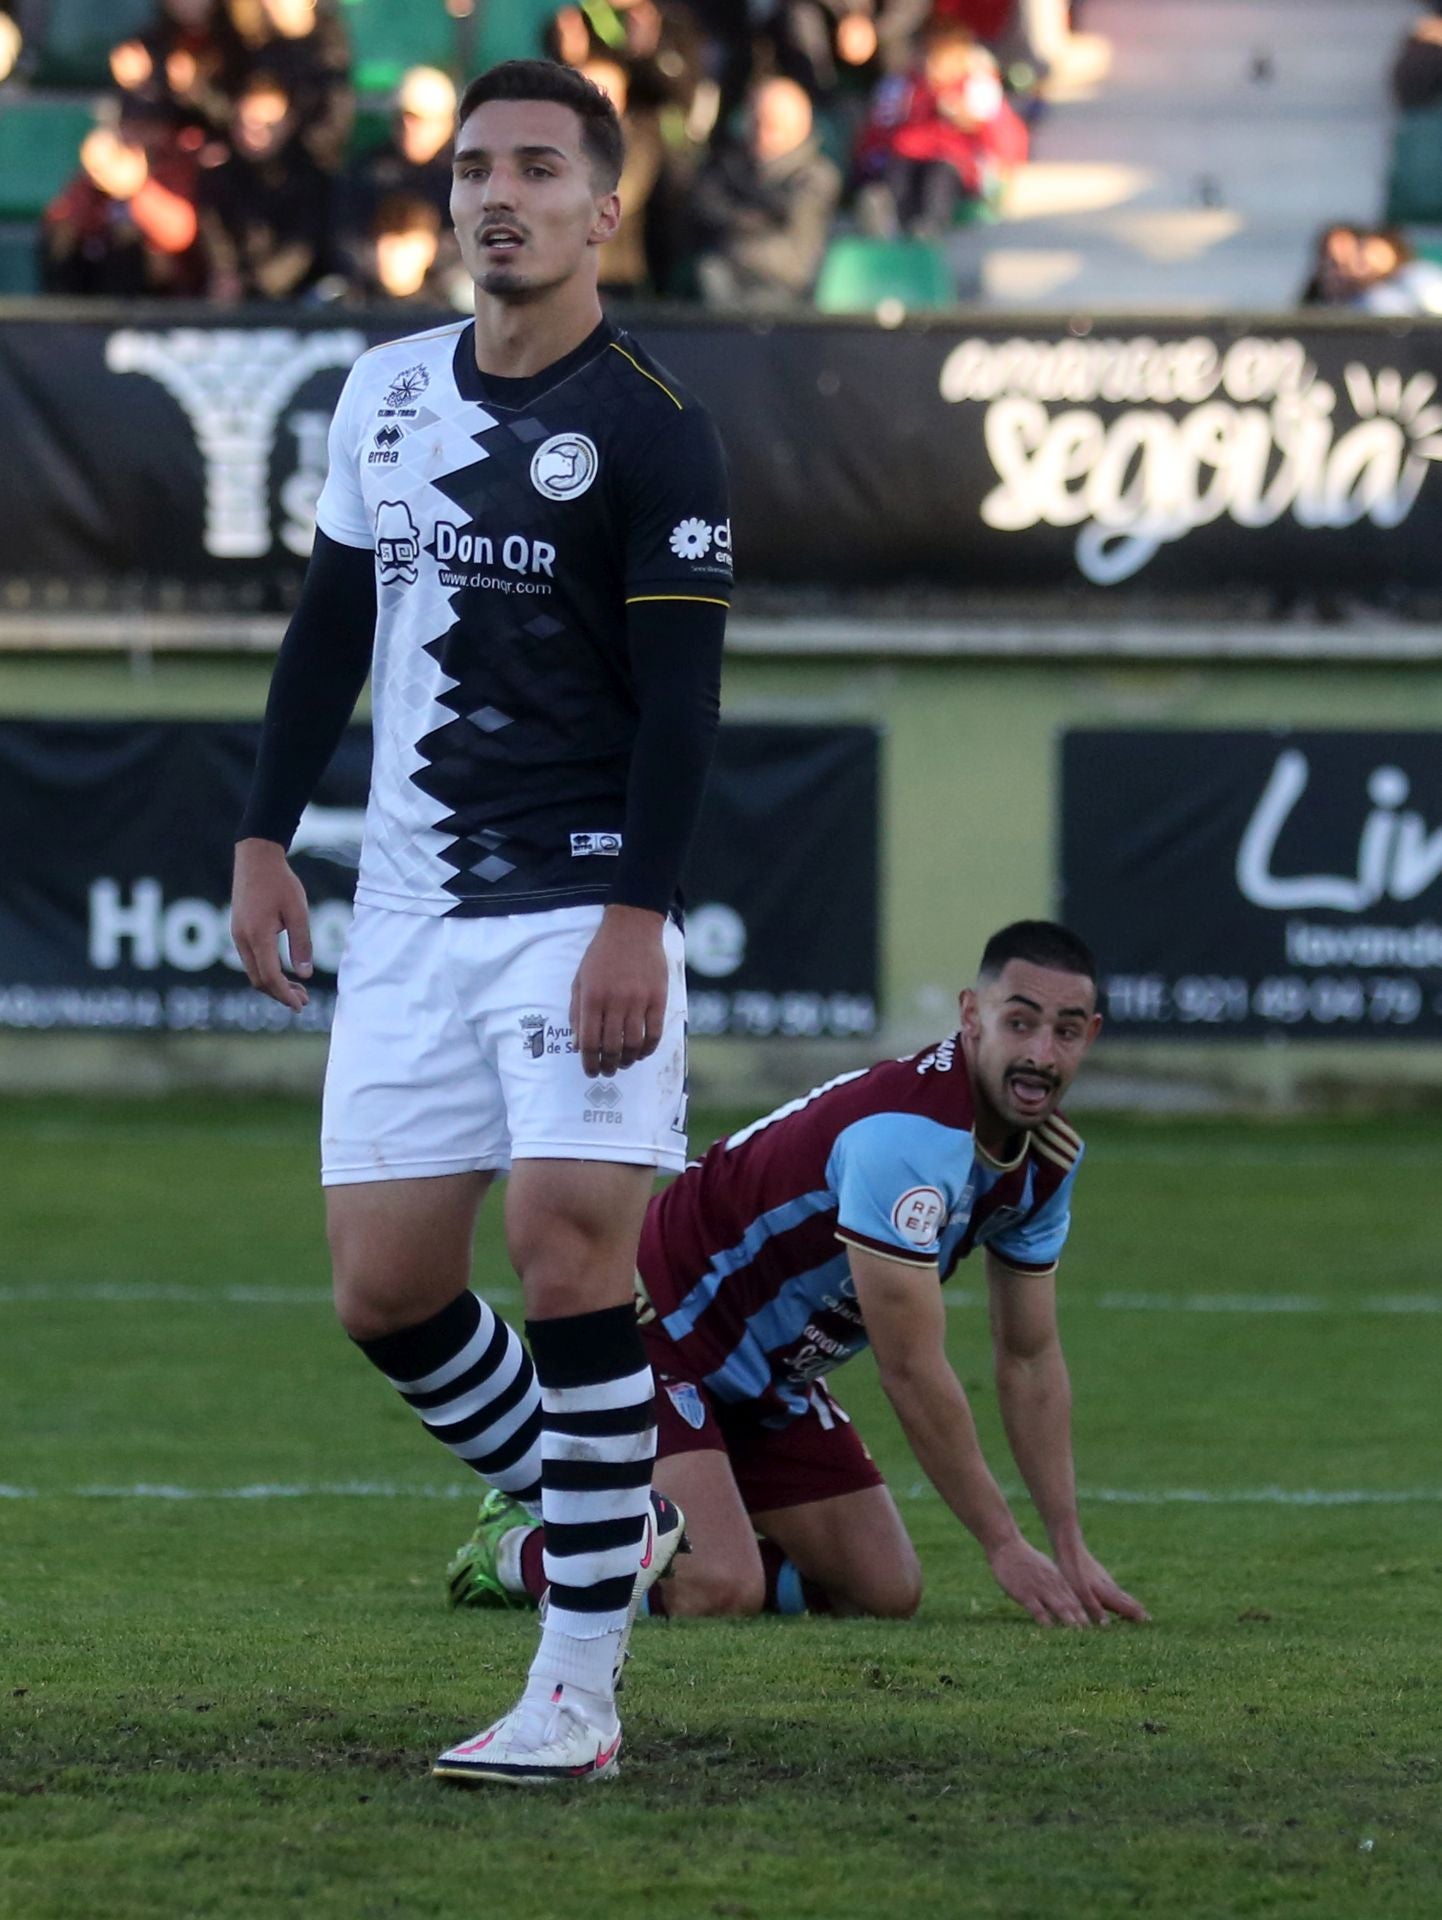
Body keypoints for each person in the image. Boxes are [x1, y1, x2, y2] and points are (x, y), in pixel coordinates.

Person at [230, 57, 731, 1786]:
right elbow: (323, 636)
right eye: (470, 170)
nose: (494, 196)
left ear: (605, 209)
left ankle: (575, 1692)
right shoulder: (382, 394)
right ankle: (611, 1513)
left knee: (570, 1243)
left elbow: (684, 710)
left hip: (575, 902)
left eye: (535, 168)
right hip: (414, 908)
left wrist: (633, 920)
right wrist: (262, 838)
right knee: (386, 1293)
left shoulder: (658, 425)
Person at [449, 921, 1149, 1631]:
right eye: (1020, 1023)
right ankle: (518, 1547)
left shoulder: (1046, 1161)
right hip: (657, 1332)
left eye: (1064, 1032)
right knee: (720, 1587)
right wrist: (1004, 1545)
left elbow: (1029, 1359)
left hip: (765, 1378)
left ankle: (668, 1530)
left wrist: (1067, 1546)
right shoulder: (907, 1138)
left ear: (1089, 1036)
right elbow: (910, 1369)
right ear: (972, 1017)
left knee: (884, 1591)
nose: (1039, 1054)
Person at [690, 76, 842, 307]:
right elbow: (704, 206)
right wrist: (753, 219)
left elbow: (798, 259)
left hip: (787, 297)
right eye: (755, 122)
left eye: (772, 126)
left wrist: (733, 234)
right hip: (728, 282)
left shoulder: (817, 177)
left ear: (801, 127)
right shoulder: (730, 166)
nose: (760, 134)